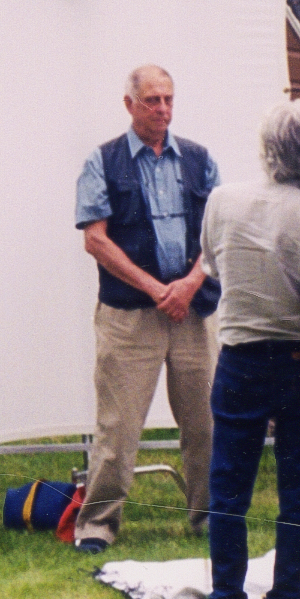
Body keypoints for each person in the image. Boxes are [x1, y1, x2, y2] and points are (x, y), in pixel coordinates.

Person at [200, 100, 300, 599]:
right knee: (298, 487)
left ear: (264, 146)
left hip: (240, 360)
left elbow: (214, 265)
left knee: (229, 488)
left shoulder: (221, 199)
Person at [71, 64, 222, 554]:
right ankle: (97, 524)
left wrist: (189, 283)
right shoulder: (102, 161)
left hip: (194, 314)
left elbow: (219, 234)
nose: (163, 110)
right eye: (153, 100)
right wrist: (158, 290)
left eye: (169, 100)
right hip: (130, 317)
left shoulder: (201, 160)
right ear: (129, 104)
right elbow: (96, 240)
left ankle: (209, 517)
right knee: (118, 426)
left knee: (206, 422)